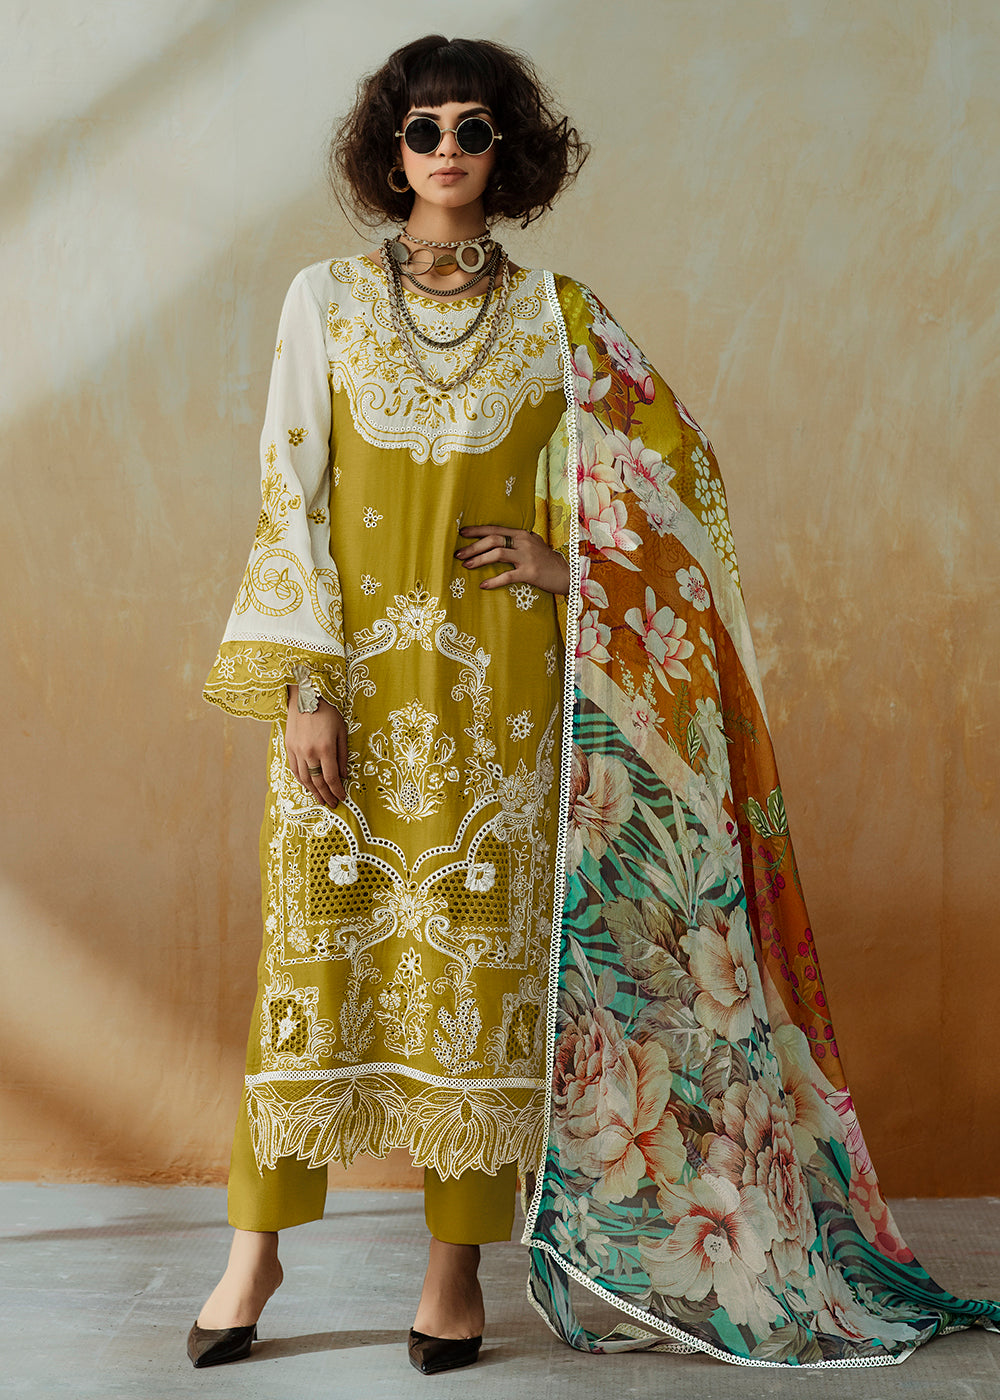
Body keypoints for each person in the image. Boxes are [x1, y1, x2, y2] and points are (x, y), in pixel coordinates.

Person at [192, 33, 1000, 1377]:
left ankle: (455, 1271)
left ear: (508, 150)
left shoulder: (561, 318)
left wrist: (573, 567)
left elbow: (682, 492)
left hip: (508, 708)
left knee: (483, 981)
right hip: (358, 700)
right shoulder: (321, 300)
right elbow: (293, 495)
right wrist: (306, 689)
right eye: (423, 130)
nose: (447, 151)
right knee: (313, 972)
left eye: (473, 129)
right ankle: (252, 1253)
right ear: (389, 151)